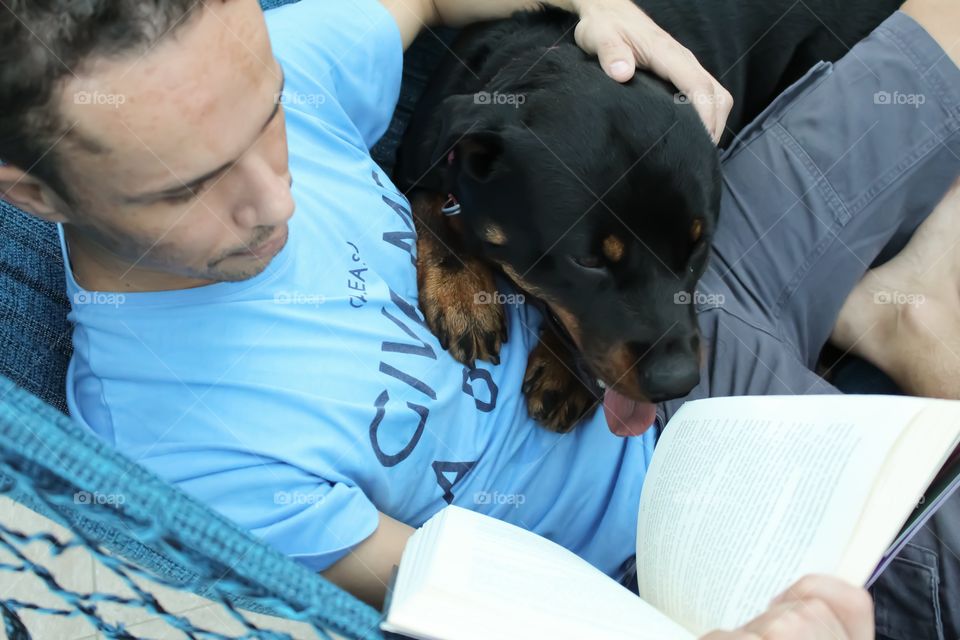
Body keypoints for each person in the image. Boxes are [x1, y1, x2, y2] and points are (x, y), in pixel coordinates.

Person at [2, 0, 958, 636]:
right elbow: (478, 602)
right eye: (188, 189)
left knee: (938, 39)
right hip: (687, 526)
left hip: (675, 292)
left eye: (273, 117)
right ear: (32, 194)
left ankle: (890, 312)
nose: (275, 200)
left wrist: (595, 7)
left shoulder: (241, 63)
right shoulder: (174, 446)